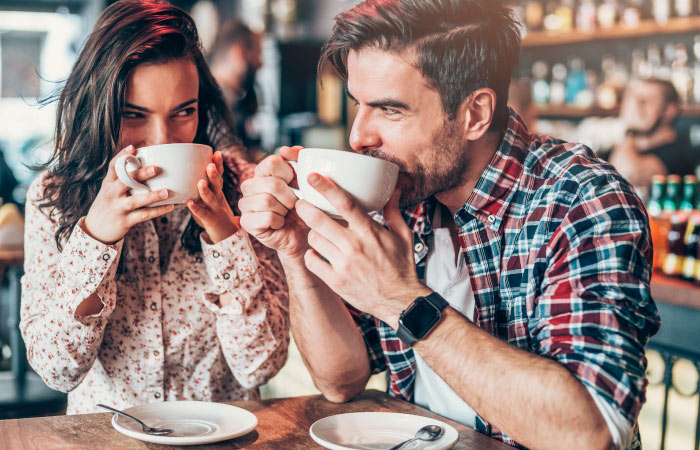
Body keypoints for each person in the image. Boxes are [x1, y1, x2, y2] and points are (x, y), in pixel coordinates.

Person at [238, 1, 660, 449]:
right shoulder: (401, 194)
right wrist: (296, 250)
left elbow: (590, 434)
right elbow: (340, 379)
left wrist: (403, 300)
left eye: (390, 110)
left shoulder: (580, 198)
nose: (359, 135)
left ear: (474, 114)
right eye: (358, 105)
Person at [20, 0, 289, 415]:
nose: (164, 140)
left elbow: (259, 367)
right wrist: (96, 238)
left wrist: (226, 237)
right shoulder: (53, 196)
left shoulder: (245, 188)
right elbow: (58, 370)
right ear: (99, 109)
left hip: (221, 438)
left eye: (184, 111)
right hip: (105, 441)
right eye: (134, 114)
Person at [609, 78, 699, 195]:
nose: (635, 107)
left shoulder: (680, 154)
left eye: (646, 100)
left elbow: (628, 174)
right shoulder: (625, 149)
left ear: (670, 110)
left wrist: (631, 130)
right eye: (632, 99)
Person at [207, 19, 263, 162]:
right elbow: (236, 163)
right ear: (240, 53)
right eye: (258, 54)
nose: (261, 63)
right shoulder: (213, 102)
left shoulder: (233, 101)